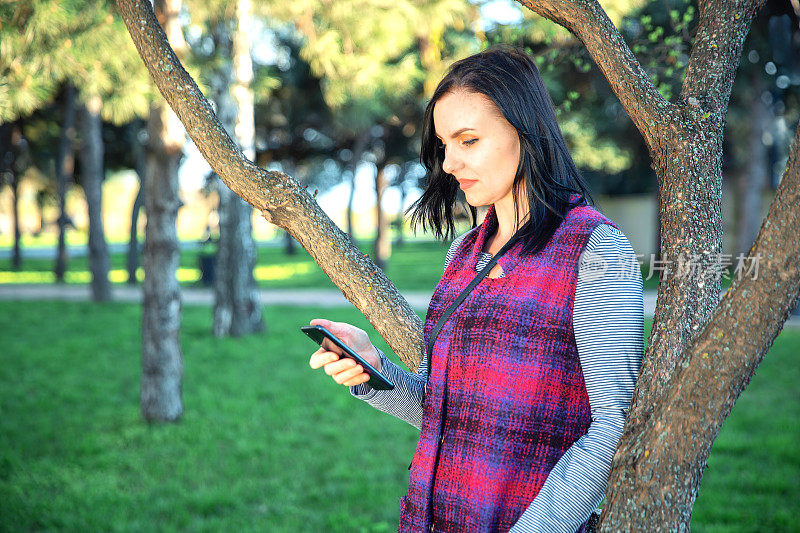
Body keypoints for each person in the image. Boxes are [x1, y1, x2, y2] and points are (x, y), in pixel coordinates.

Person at [308, 44, 644, 533]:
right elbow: (446, 409)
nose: (448, 163)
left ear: (523, 130)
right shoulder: (463, 255)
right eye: (445, 145)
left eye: (468, 140)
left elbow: (613, 426)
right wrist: (372, 369)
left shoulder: (594, 250)